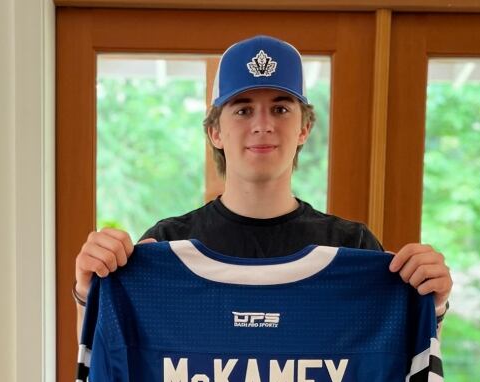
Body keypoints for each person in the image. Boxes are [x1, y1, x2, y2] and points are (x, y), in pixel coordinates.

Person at [73, 35, 452, 337]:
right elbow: (110, 361)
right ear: (215, 131)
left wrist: (431, 307)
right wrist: (90, 293)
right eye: (242, 109)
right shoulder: (168, 245)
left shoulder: (351, 247)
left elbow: (396, 366)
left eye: (281, 108)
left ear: (304, 128)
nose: (263, 124)